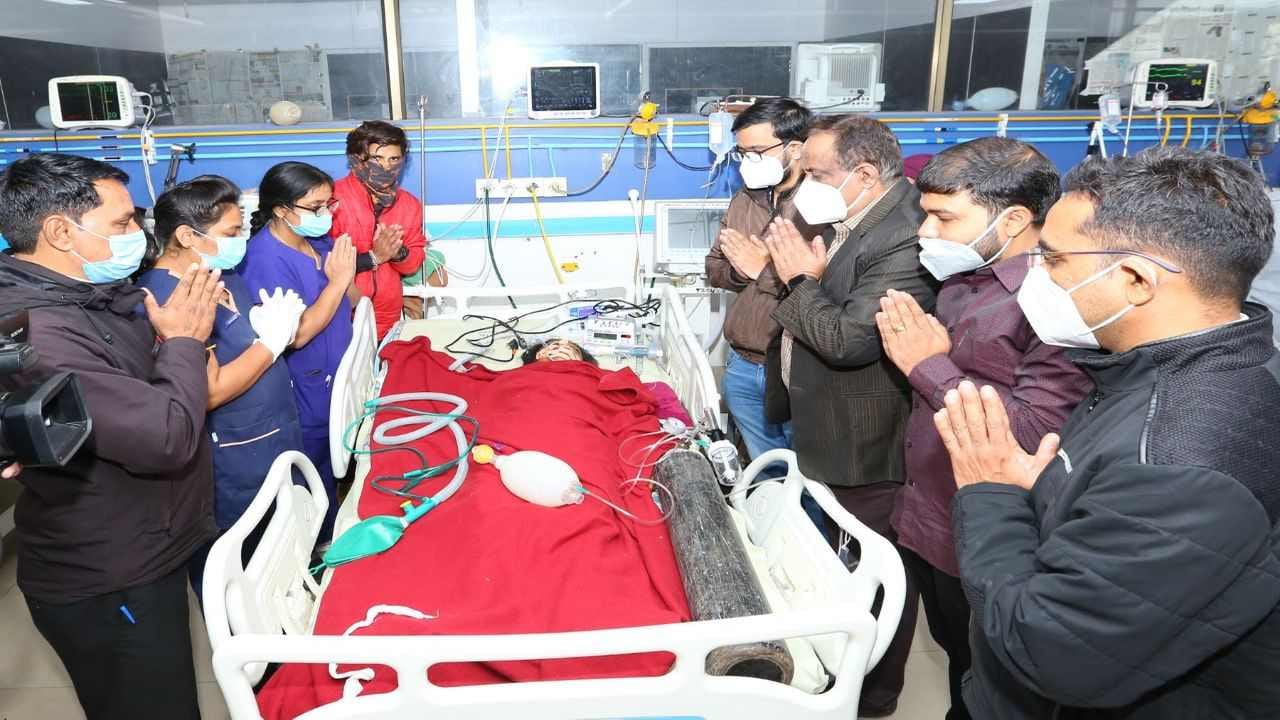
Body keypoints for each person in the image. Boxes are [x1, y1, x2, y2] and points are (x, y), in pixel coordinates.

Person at [933, 147, 1280, 719]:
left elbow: (1051, 651)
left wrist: (989, 493)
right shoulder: (1179, 367)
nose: (1034, 275)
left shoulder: (1180, 458)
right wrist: (1044, 492)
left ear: (1136, 280)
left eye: (1052, 258)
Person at [876, 137, 1092, 720]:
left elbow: (1035, 432)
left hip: (991, 532)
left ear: (1014, 219)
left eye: (944, 218)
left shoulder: (1056, 304)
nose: (925, 231)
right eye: (925, 214)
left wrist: (928, 365)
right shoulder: (963, 280)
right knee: (957, 659)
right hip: (932, 513)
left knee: (993, 682)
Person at [0, 153, 221, 719]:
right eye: (121, 223)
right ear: (60, 232)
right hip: (109, 571)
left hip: (148, 542)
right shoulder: (39, 332)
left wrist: (170, 345)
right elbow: (165, 435)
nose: (136, 235)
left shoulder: (89, 295)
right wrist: (184, 342)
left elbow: (142, 389)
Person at [762, 114, 937, 717]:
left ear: (863, 174)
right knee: (844, 564)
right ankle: (841, 674)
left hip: (868, 440)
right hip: (828, 425)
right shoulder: (855, 217)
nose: (805, 183)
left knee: (878, 573)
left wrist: (798, 280)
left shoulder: (904, 234)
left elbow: (848, 341)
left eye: (816, 173)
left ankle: (872, 697)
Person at [136, 175, 307, 589]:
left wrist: (267, 331)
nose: (240, 241)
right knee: (242, 583)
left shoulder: (223, 276)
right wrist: (270, 344)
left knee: (284, 567)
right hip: (232, 460)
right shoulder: (164, 301)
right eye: (231, 233)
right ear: (186, 236)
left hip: (273, 439)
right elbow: (207, 392)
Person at [240, 161, 358, 542]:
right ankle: (319, 548)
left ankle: (332, 534)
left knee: (334, 468)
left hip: (336, 375)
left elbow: (351, 299)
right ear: (281, 209)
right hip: (307, 386)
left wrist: (347, 281)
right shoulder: (264, 260)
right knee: (313, 477)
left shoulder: (317, 242)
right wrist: (339, 282)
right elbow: (298, 334)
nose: (326, 214)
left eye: (329, 204)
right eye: (315, 207)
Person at [704, 98, 822, 473]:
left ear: (795, 148)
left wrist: (763, 271)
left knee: (808, 476)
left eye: (757, 152)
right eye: (742, 154)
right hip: (742, 362)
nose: (747, 162)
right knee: (766, 471)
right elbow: (714, 267)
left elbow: (826, 288)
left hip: (794, 368)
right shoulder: (745, 200)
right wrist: (742, 271)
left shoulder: (822, 206)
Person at [330, 120, 429, 337]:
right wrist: (373, 257)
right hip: (340, 313)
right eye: (377, 158)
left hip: (386, 316)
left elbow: (413, 262)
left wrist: (397, 252)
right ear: (356, 159)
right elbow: (319, 263)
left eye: (394, 159)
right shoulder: (332, 199)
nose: (386, 167)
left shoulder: (409, 204)